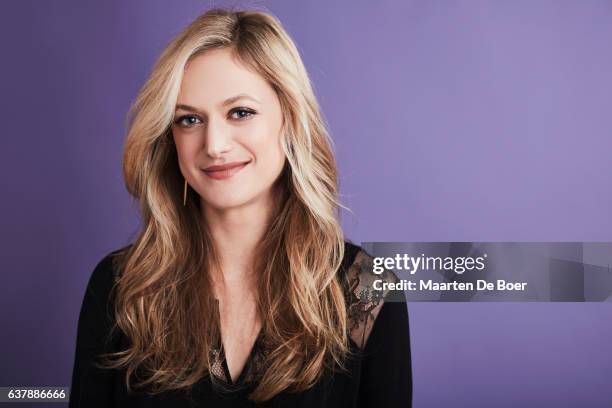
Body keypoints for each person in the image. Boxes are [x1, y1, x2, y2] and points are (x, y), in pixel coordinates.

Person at [69, 7, 412, 407]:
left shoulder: (364, 291)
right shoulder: (120, 288)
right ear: (170, 138)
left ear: (290, 118)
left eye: (241, 112)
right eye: (189, 120)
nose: (214, 144)